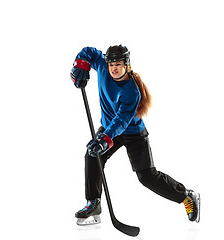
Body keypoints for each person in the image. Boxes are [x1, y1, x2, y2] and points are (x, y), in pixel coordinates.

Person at [70, 45, 200, 225]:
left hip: (133, 133)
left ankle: (186, 196)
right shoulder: (103, 67)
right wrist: (80, 65)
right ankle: (94, 203)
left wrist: (105, 140)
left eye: (118, 64)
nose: (113, 68)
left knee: (147, 176)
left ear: (127, 65)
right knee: (92, 157)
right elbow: (89, 52)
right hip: (109, 129)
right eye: (111, 64)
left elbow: (121, 121)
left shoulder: (131, 91)